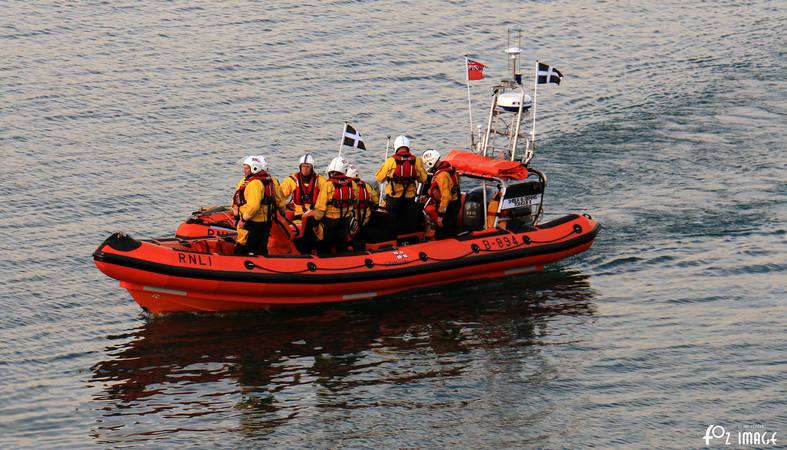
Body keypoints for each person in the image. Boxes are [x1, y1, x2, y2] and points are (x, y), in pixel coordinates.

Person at [232, 155, 286, 255]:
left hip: (251, 222)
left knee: (242, 248)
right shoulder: (270, 181)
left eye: (246, 168)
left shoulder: (253, 183)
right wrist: (283, 214)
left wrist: (241, 219)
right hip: (265, 222)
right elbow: (280, 202)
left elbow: (253, 206)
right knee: (260, 249)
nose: (244, 170)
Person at [374, 135, 428, 233]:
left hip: (393, 198)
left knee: (391, 220)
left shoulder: (391, 161)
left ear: (396, 147)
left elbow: (379, 178)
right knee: (407, 220)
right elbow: (424, 179)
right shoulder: (416, 160)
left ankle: (392, 237)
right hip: (410, 198)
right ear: (408, 147)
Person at [313, 156, 356, 255]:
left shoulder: (327, 185)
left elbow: (320, 207)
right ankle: (342, 261)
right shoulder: (352, 183)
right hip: (346, 219)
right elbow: (355, 199)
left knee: (325, 244)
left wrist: (315, 222)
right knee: (342, 242)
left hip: (330, 221)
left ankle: (325, 261)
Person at [421, 149, 461, 239]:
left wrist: (441, 215)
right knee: (449, 228)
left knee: (443, 232)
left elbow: (446, 196)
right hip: (454, 202)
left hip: (449, 206)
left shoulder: (442, 175)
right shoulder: (447, 167)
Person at [279, 153, 324, 220]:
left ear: (312, 168)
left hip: (315, 214)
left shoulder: (321, 181)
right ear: (300, 167)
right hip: (298, 214)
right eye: (303, 166)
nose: (305, 169)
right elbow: (280, 197)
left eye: (308, 166)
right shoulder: (291, 181)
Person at [346, 164, 379, 250]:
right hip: (365, 220)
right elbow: (375, 201)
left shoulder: (346, 187)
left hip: (351, 223)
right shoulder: (367, 186)